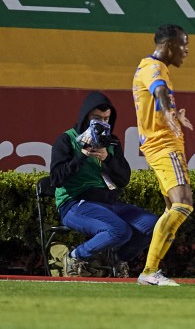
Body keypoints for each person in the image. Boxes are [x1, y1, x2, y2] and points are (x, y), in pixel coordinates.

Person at [50, 91, 159, 278]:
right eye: (96, 118)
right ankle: (74, 257)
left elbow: (123, 179)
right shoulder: (67, 140)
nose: (102, 123)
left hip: (108, 204)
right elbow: (56, 179)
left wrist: (108, 158)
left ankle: (116, 260)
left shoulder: (111, 143)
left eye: (106, 119)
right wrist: (81, 156)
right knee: (119, 231)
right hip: (75, 203)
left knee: (154, 226)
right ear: (86, 117)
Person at [132, 24, 194, 286]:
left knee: (173, 207)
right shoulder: (154, 68)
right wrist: (168, 111)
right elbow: (158, 91)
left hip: (160, 146)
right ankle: (149, 271)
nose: (186, 51)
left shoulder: (151, 67)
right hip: (163, 145)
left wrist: (172, 113)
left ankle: (151, 271)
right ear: (169, 45)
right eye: (183, 44)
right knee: (183, 203)